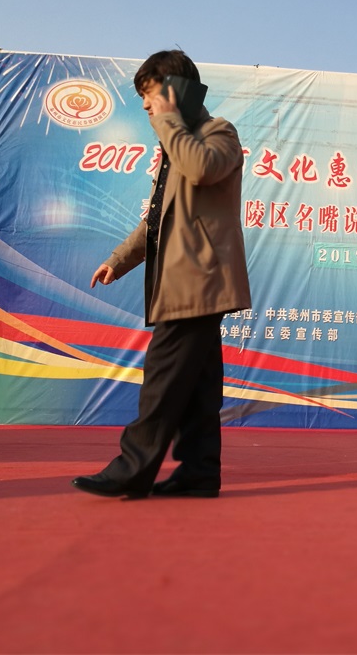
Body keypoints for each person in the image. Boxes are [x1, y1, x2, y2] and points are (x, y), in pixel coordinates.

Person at [72, 50, 251, 499]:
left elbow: (203, 168)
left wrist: (170, 121)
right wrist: (119, 259)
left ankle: (132, 469)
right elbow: (156, 219)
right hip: (184, 280)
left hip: (199, 279)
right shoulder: (175, 144)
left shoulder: (219, 133)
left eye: (150, 95)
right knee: (199, 388)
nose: (146, 106)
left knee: (162, 378)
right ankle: (199, 473)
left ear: (175, 92)